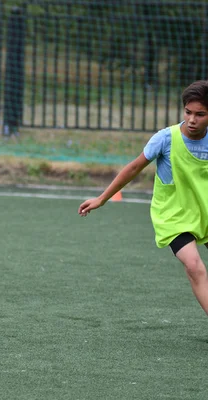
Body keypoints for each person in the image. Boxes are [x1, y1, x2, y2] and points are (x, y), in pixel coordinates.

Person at [79, 80, 208, 316]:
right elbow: (134, 167)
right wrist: (102, 198)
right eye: (188, 112)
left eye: (200, 114)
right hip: (174, 214)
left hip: (205, 211)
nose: (192, 120)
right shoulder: (165, 138)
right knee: (194, 266)